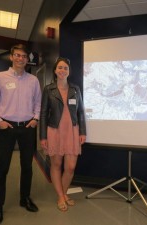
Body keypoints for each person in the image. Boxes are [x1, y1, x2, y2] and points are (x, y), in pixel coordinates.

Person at [0, 44, 42, 225]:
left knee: (27, 166)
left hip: (27, 128)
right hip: (6, 128)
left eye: (24, 56)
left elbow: (38, 103)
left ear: (27, 59)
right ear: (11, 57)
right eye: (17, 55)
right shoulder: (0, 78)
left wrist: (36, 119)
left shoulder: (33, 80)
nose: (20, 59)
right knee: (2, 168)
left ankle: (24, 198)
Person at [39, 57, 86, 212]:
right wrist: (43, 136)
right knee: (56, 165)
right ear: (55, 70)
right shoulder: (48, 89)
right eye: (60, 67)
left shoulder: (75, 89)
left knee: (70, 167)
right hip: (54, 130)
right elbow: (44, 113)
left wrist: (82, 132)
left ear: (69, 71)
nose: (62, 70)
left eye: (65, 68)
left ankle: (63, 193)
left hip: (72, 131)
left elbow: (80, 112)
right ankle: (61, 196)